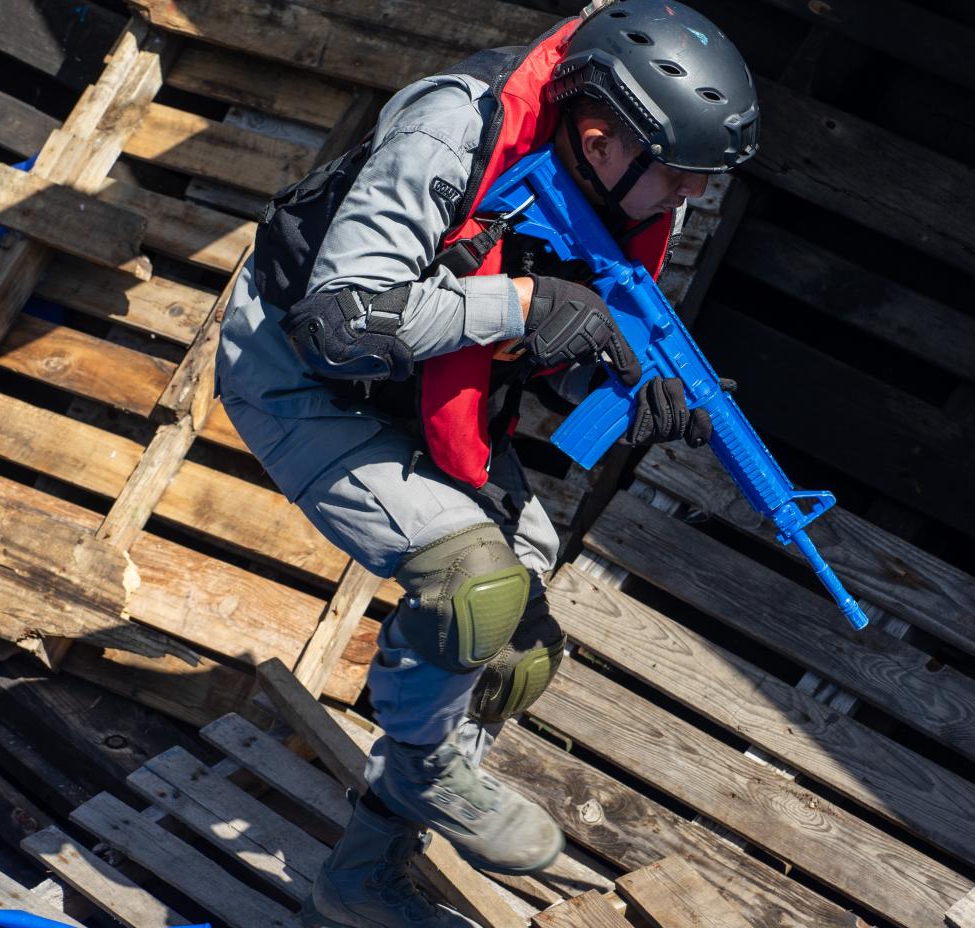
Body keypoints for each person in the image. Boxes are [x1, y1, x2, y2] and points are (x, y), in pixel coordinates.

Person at [214, 2, 759, 925]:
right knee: (471, 583)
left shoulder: (609, 187)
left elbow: (551, 359)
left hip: (423, 390)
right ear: (599, 137)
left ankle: (361, 879)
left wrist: (632, 394)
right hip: (298, 374)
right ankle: (424, 762)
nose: (690, 199)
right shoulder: (452, 127)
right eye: (680, 177)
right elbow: (343, 321)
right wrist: (520, 304)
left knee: (517, 652)